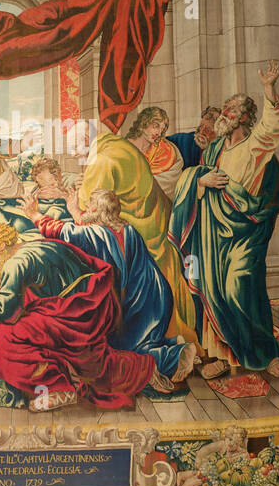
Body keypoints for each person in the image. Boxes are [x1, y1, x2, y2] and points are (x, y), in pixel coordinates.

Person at [170, 60, 279, 377]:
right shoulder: (213, 148)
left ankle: (265, 354)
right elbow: (192, 177)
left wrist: (269, 88)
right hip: (212, 235)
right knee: (212, 289)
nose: (224, 114)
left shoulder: (255, 144)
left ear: (243, 116)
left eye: (230, 109)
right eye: (225, 108)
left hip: (245, 231)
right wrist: (199, 181)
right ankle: (222, 357)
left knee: (238, 288)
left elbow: (273, 125)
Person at [24, 189, 223, 385]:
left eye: (89, 204)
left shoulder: (97, 234)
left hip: (137, 306)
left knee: (124, 352)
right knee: (138, 341)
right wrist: (74, 210)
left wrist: (34, 214)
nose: (86, 208)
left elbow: (66, 232)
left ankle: (175, 356)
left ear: (96, 209)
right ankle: (175, 343)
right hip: (155, 298)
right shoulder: (126, 229)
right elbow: (87, 232)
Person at [0, 223, 154, 412]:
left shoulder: (15, 263)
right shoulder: (37, 245)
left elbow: (4, 308)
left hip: (67, 317)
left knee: (1, 336)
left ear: (3, 245)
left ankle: (58, 388)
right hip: (89, 309)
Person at [78, 127, 198, 345]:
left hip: (137, 238)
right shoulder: (122, 146)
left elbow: (89, 210)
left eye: (77, 146)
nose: (77, 153)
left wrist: (72, 204)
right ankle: (175, 337)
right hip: (156, 224)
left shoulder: (102, 160)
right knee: (163, 286)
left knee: (137, 298)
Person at [126, 105, 184, 198]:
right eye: (155, 126)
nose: (159, 133)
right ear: (143, 124)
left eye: (162, 129)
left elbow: (167, 183)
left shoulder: (164, 149)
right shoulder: (124, 147)